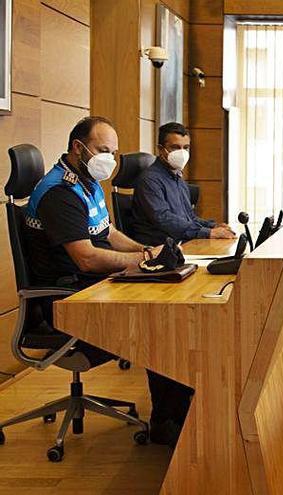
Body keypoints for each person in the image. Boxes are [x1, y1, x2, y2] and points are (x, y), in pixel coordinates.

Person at [24, 116, 192, 445]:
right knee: (159, 321)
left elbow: (108, 233)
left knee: (169, 304)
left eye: (114, 153)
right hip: (66, 302)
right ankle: (166, 421)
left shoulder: (86, 183)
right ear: (78, 148)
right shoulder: (60, 192)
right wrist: (144, 260)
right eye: (103, 150)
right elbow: (86, 257)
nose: (110, 160)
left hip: (90, 287)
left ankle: (180, 410)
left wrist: (146, 249)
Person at [129, 122, 235, 246]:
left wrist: (213, 226)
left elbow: (189, 217)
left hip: (181, 244)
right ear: (160, 149)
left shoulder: (178, 177)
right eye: (175, 147)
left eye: (186, 147)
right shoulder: (149, 180)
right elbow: (164, 219)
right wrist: (209, 233)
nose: (182, 152)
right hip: (160, 249)